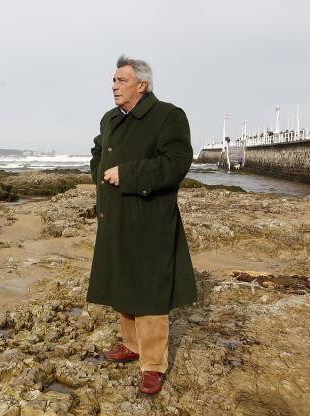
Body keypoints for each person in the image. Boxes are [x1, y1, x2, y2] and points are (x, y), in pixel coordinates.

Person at [86, 55, 197, 395]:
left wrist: (129, 174)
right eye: (114, 80)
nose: (114, 85)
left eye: (121, 80)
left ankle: (153, 364)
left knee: (149, 292)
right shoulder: (109, 118)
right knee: (122, 281)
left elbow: (177, 163)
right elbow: (97, 151)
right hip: (115, 216)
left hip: (149, 217)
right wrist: (99, 176)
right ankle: (131, 345)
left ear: (142, 85)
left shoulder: (168, 116)